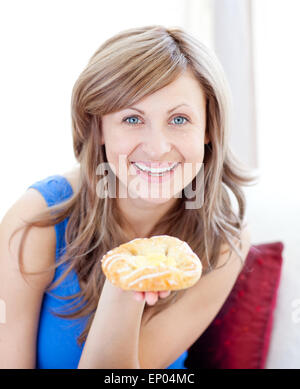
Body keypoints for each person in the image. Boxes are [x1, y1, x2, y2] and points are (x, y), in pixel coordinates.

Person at [0, 25, 255, 369]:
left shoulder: (222, 240)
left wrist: (126, 286)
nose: (157, 149)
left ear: (208, 128)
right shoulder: (37, 220)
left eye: (179, 119)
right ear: (98, 127)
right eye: (132, 118)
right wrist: (128, 274)